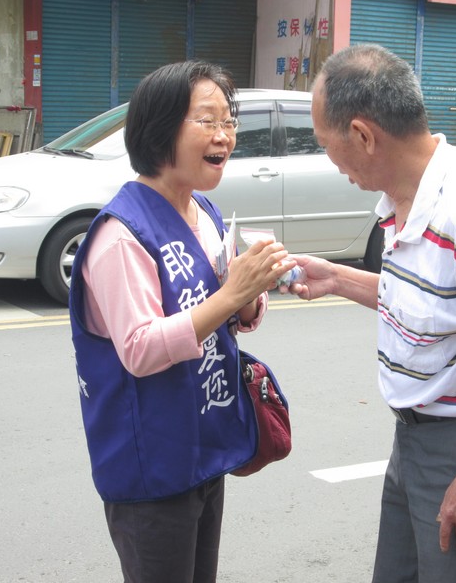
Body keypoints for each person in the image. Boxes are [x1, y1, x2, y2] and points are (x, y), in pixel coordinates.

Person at [284, 44, 456, 582]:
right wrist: (338, 278)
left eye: (326, 145)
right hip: (416, 440)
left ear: (365, 136)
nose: (330, 161)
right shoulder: (406, 200)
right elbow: (433, 307)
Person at [68, 60, 294, 583]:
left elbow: (224, 312)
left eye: (229, 121)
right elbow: (141, 349)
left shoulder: (205, 212)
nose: (225, 136)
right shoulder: (121, 236)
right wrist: (232, 294)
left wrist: (248, 297)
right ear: (159, 129)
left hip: (203, 449)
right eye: (208, 121)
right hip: (152, 469)